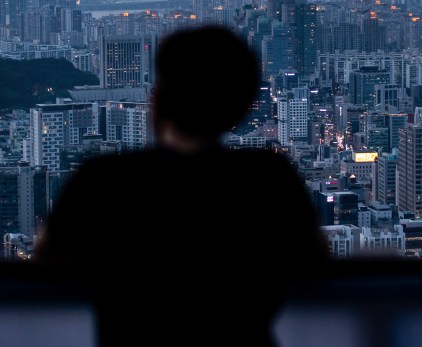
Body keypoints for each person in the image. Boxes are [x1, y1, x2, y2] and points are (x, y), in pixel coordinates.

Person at [35, 25, 329, 347]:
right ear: (244, 106)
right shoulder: (267, 177)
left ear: (159, 97)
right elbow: (313, 262)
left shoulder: (102, 179)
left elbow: (49, 260)